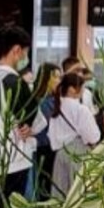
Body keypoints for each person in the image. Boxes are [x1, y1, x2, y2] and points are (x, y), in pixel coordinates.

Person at [0, 25, 42, 208]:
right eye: (25, 53)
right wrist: (29, 127)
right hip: (13, 160)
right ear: (17, 50)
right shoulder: (14, 82)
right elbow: (36, 121)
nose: (25, 58)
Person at [47, 71, 101, 197]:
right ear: (72, 89)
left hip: (60, 154)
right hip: (79, 153)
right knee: (79, 195)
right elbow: (92, 137)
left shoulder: (56, 109)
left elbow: (51, 135)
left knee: (61, 195)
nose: (83, 91)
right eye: (81, 87)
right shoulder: (81, 109)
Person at [29, 62, 61, 199]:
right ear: (47, 78)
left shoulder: (54, 99)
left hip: (53, 147)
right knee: (44, 185)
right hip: (43, 148)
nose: (59, 81)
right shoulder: (39, 101)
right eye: (56, 77)